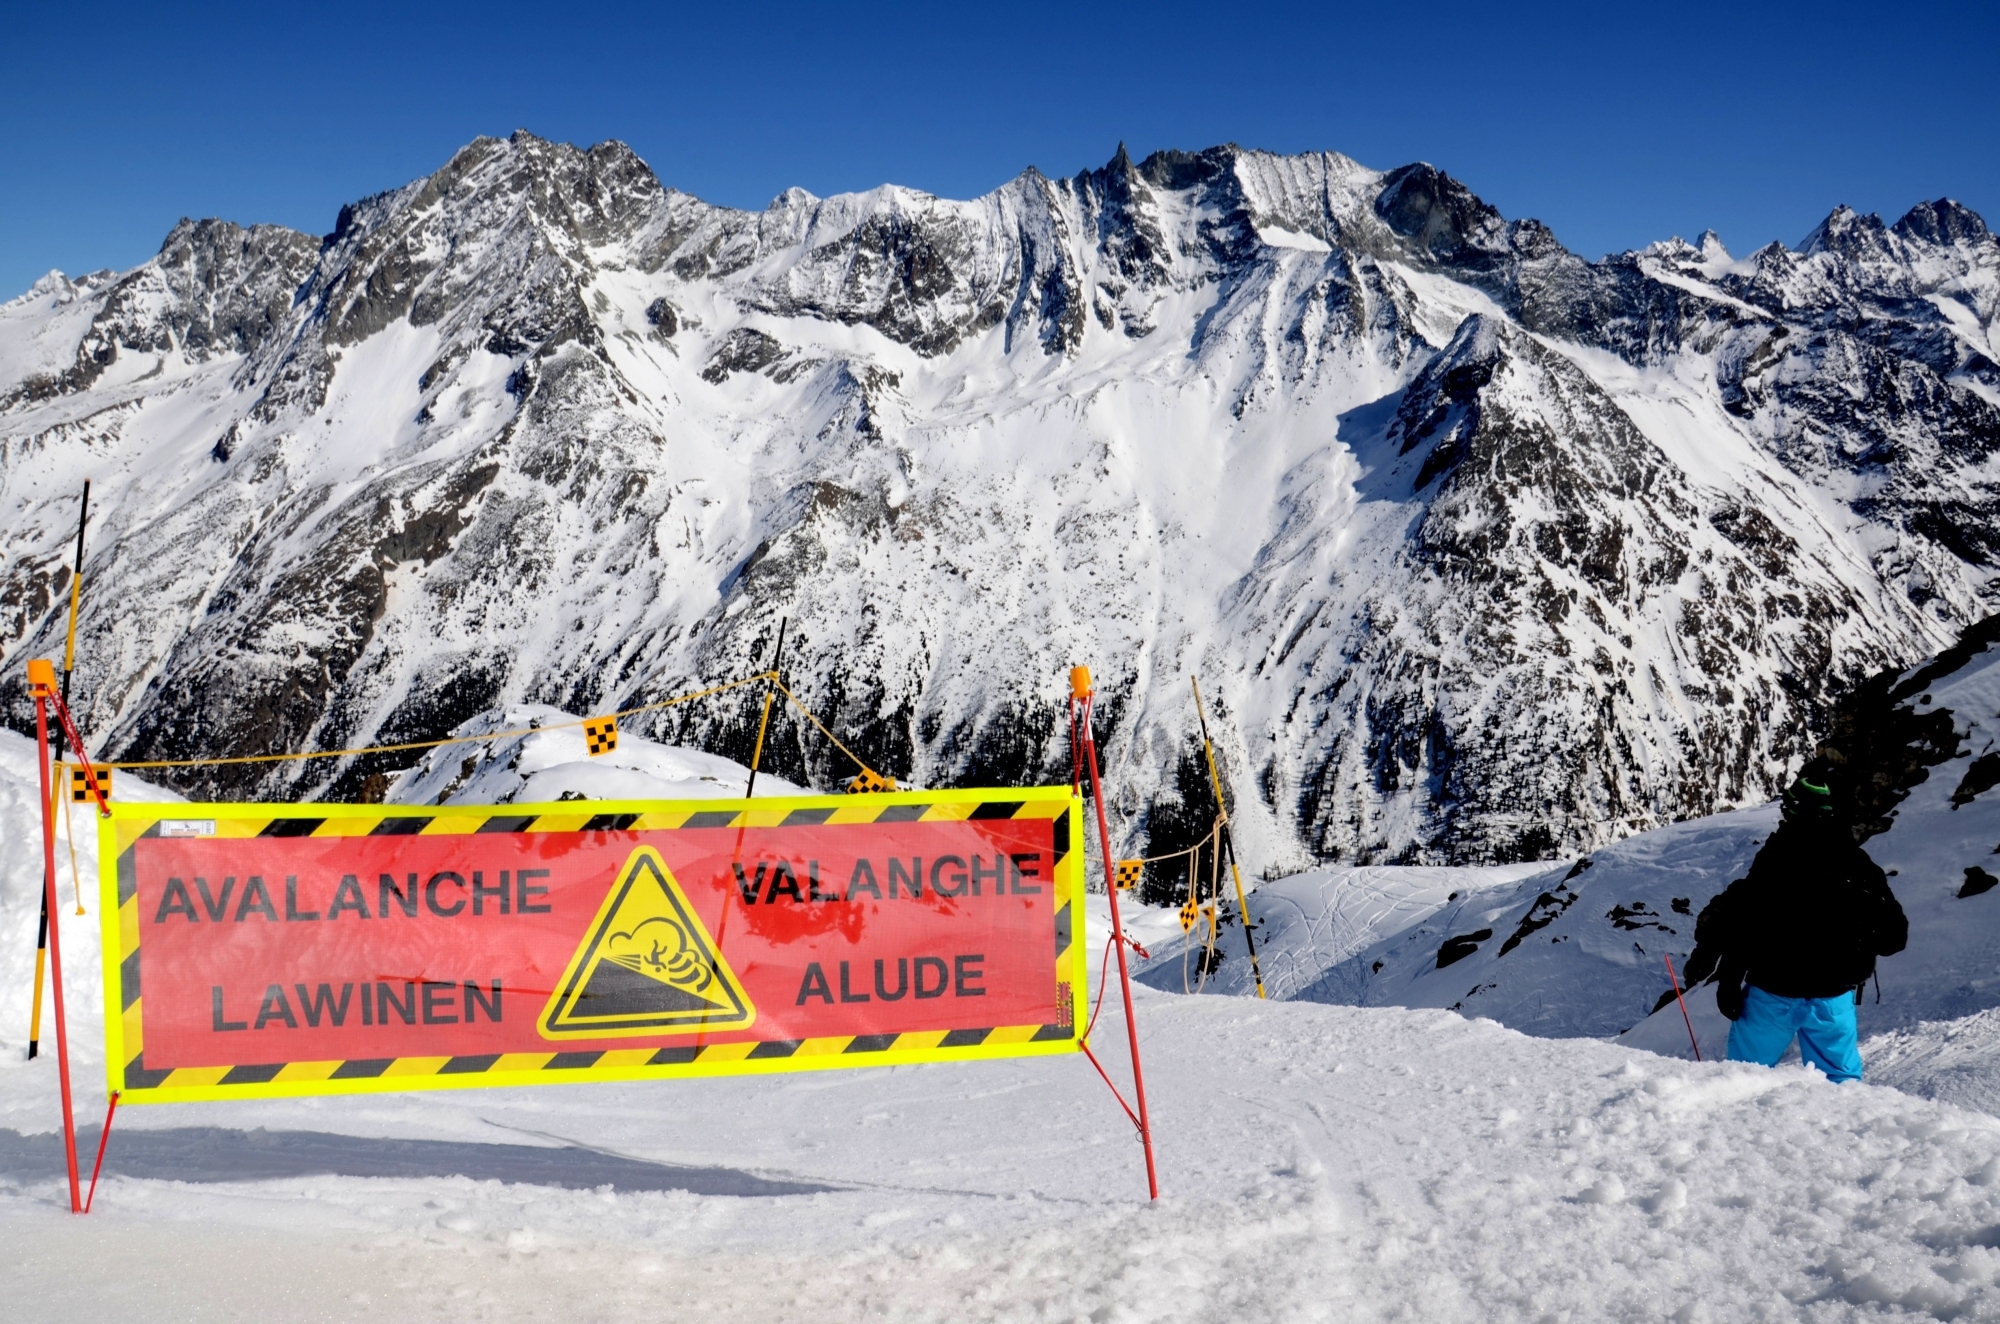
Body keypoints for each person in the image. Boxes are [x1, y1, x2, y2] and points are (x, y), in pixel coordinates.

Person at [1682, 774, 1907, 1082]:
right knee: (1840, 1085)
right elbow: (1894, 939)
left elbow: (1745, 926)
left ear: (1791, 812)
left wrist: (1729, 983)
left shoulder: (1773, 861)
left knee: (1744, 1078)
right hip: (1833, 995)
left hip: (1771, 992)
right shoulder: (1858, 865)